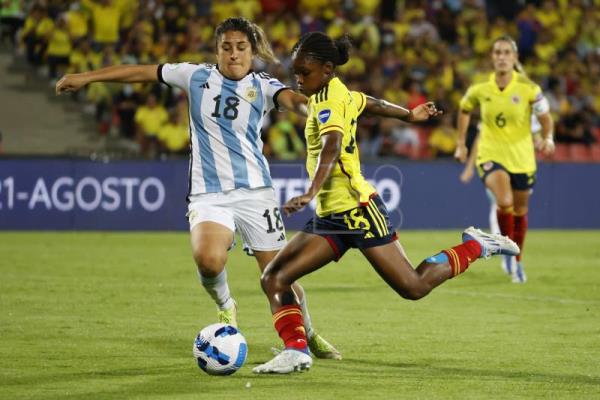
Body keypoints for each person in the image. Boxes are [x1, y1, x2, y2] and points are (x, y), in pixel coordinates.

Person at [55, 17, 341, 360]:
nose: (234, 55)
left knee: (280, 275)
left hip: (256, 193)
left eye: (241, 48)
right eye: (227, 47)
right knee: (208, 259)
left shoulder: (262, 85)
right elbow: (140, 72)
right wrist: (85, 78)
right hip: (209, 194)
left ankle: (307, 334)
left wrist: (316, 110)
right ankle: (225, 305)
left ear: (252, 53)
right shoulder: (194, 76)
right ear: (217, 50)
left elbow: (294, 101)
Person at [252, 32, 519, 374]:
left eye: (304, 72)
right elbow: (371, 102)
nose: (298, 79)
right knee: (274, 278)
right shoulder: (330, 93)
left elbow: (332, 146)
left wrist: (311, 191)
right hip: (333, 216)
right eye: (296, 72)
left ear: (328, 69)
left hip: (359, 211)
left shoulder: (332, 100)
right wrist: (408, 115)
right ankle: (296, 350)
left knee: (413, 286)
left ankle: (475, 247)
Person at [454, 35, 555, 283]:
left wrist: (548, 137)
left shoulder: (529, 88)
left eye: (506, 52)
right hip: (491, 155)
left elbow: (545, 118)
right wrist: (461, 144)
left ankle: (515, 258)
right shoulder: (479, 90)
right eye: (497, 52)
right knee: (504, 200)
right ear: (492, 57)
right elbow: (464, 110)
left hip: (522, 159)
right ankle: (503, 248)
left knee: (520, 211)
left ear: (515, 57)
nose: (501, 57)